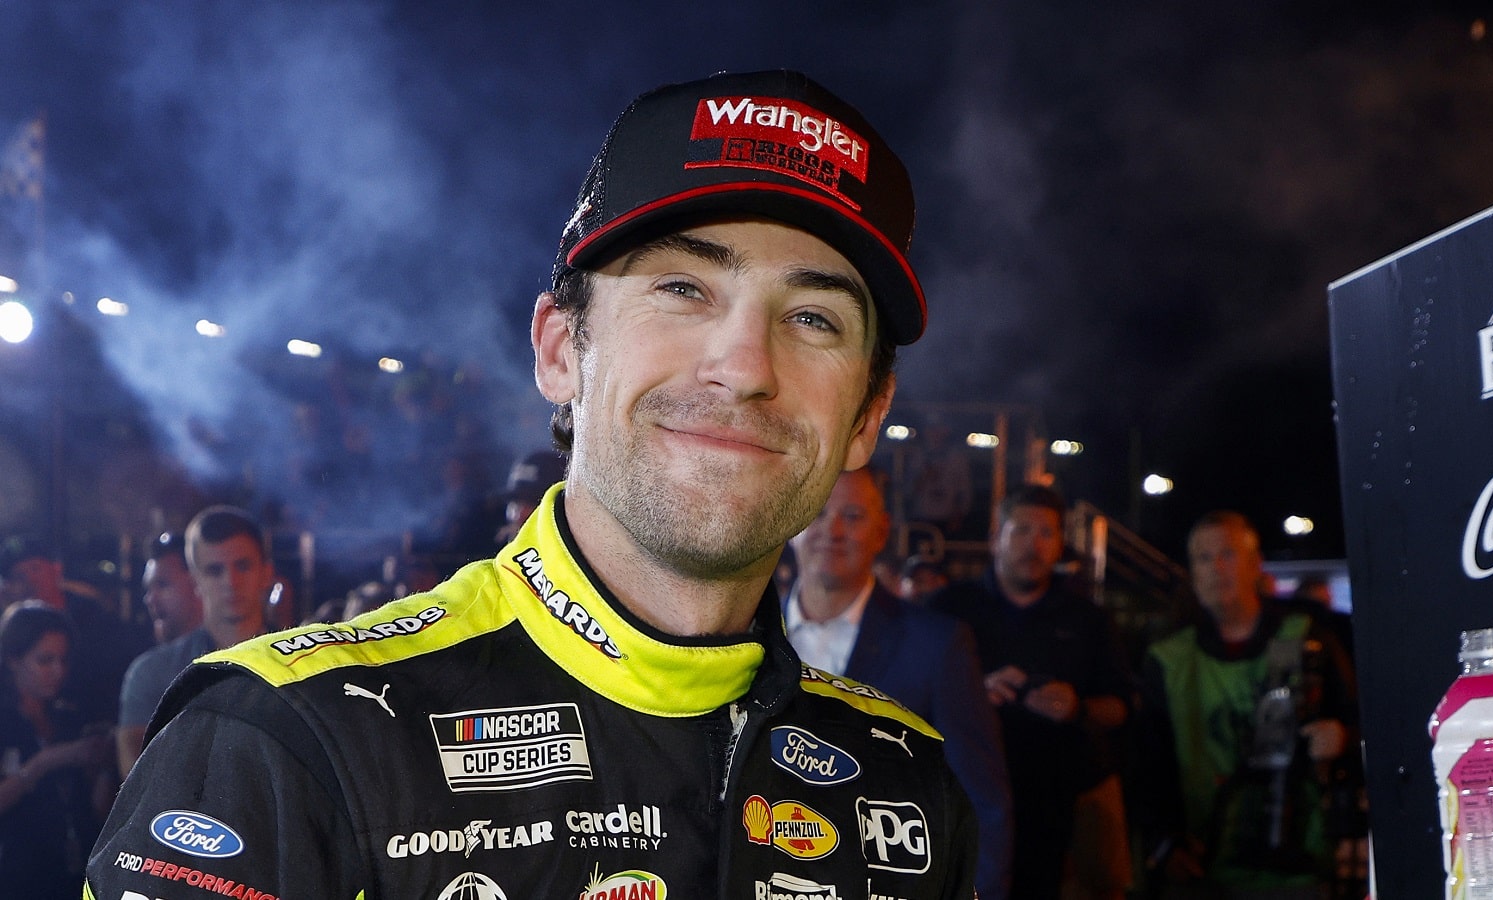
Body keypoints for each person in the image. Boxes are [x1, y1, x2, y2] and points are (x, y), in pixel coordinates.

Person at [87, 70, 977, 899]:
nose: (744, 367)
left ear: (866, 414)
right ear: (560, 350)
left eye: (813, 316)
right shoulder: (279, 742)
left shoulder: (905, 778)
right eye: (682, 287)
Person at [788, 465, 1013, 899]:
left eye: (852, 516)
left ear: (881, 531)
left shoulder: (938, 645)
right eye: (815, 512)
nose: (831, 530)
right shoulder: (747, 638)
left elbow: (980, 799)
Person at [1139, 511, 1361, 899]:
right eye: (1204, 559)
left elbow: (1367, 726)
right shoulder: (1168, 660)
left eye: (1228, 554)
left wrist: (1343, 737)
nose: (1216, 568)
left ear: (1256, 564)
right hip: (1202, 868)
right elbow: (1147, 764)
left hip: (1296, 866)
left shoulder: (1308, 638)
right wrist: (1164, 842)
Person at [934, 483, 1140, 900]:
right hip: (965, 798)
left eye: (1047, 533)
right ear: (996, 538)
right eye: (1022, 530)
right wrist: (973, 691)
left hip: (1058, 805)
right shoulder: (949, 609)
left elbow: (1124, 706)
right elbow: (908, 697)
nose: (1034, 544)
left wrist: (1076, 706)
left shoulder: (1088, 619)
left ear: (1061, 543)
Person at [114, 508, 277, 778]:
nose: (231, 582)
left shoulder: (300, 661)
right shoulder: (153, 673)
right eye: (215, 570)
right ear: (195, 579)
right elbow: (137, 784)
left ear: (266, 573)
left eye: (243, 566)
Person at [0, 602, 114, 897]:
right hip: (16, 879)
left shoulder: (69, 718)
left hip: (73, 875)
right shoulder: (5, 721)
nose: (57, 671)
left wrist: (103, 765)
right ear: (13, 659)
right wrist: (43, 764)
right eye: (44, 660)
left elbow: (95, 810)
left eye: (63, 661)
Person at [0, 534, 147, 726]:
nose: (29, 580)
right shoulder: (9, 633)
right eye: (17, 576)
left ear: (56, 570)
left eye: (35, 569)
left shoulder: (97, 622)